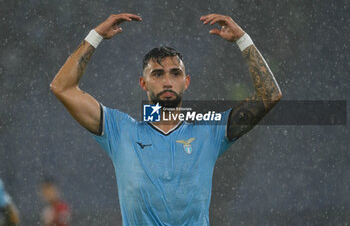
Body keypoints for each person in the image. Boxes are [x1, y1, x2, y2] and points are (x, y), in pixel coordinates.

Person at [50, 13, 282, 225]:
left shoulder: (210, 131)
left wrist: (243, 39)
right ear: (143, 83)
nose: (168, 81)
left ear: (186, 81)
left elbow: (269, 96)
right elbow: (63, 87)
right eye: (158, 74)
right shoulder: (120, 131)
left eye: (175, 73)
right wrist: (96, 35)